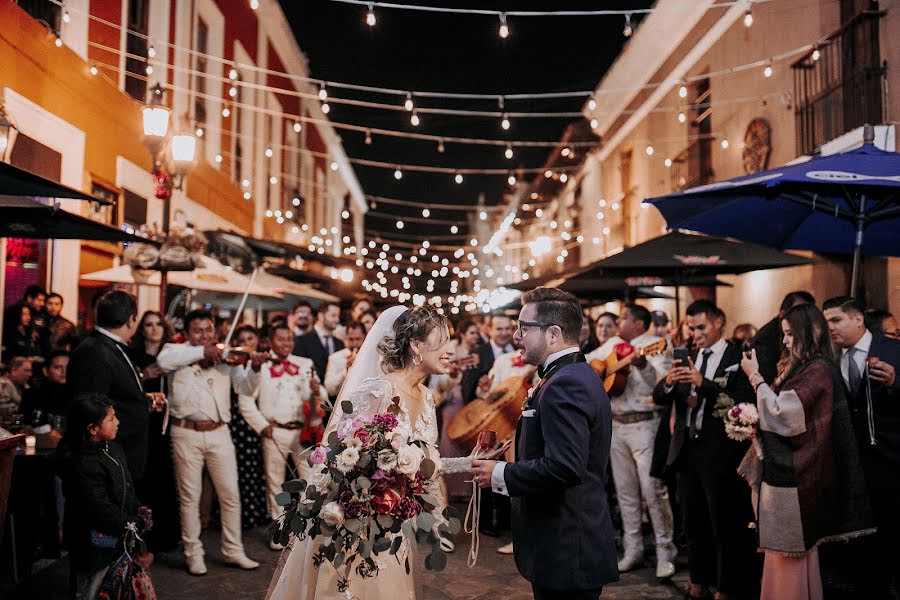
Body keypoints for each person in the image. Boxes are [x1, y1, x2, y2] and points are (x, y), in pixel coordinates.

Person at [266, 305, 489, 600]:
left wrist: (469, 462)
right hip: (354, 518)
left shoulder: (426, 399)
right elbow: (339, 456)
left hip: (393, 522)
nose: (449, 350)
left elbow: (425, 462)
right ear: (416, 346)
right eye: (442, 341)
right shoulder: (376, 391)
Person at [471, 287, 619, 600]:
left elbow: (565, 467)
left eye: (524, 328)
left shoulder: (567, 383)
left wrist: (501, 474)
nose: (516, 336)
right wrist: (511, 450)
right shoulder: (571, 374)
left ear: (553, 334)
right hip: (561, 540)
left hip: (568, 544)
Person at [739, 304, 875, 600]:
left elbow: (783, 415)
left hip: (799, 482)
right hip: (795, 481)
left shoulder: (818, 369)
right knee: (788, 558)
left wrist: (755, 376)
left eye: (789, 334)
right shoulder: (809, 367)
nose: (785, 342)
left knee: (791, 557)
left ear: (808, 332)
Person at [652, 300, 760, 600]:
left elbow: (741, 404)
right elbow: (659, 395)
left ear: (719, 323)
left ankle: (726, 586)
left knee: (723, 522)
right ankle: (698, 579)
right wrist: (671, 383)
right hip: (688, 448)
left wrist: (705, 384)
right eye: (691, 327)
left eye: (701, 327)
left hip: (720, 451)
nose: (696, 333)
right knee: (692, 519)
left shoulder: (738, 357)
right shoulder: (690, 356)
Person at [156, 309, 267, 575]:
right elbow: (163, 363)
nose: (204, 336)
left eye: (208, 330)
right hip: (185, 431)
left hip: (220, 432)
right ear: (188, 333)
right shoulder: (175, 350)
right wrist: (202, 352)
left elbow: (246, 389)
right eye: (198, 331)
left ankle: (233, 550)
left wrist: (255, 368)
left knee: (230, 494)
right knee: (189, 497)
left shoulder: (227, 356)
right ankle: (193, 553)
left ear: (215, 331)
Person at [587, 304, 676, 579]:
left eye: (623, 318)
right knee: (625, 493)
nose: (617, 322)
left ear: (639, 324)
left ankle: (665, 552)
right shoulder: (611, 345)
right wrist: (600, 370)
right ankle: (633, 549)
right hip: (616, 425)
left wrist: (643, 366)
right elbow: (588, 365)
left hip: (644, 424)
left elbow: (660, 386)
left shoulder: (656, 345)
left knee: (652, 490)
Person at [822, 296, 900, 598]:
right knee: (865, 552)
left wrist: (895, 382)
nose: (830, 328)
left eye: (836, 320)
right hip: (854, 470)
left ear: (858, 320)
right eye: (826, 322)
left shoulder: (893, 350)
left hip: (892, 464)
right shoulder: (830, 359)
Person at [238, 322, 327, 547]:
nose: (286, 343)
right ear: (270, 341)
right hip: (275, 430)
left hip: (305, 432)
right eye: (280, 339)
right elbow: (245, 398)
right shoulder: (260, 365)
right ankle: (279, 528)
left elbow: (322, 400)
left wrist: (319, 391)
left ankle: (306, 528)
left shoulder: (306, 364)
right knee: (276, 483)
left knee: (308, 480)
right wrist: (260, 425)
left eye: (289, 339)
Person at [59, 393, 147, 600]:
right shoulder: (82, 463)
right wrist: (130, 523)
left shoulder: (113, 448)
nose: (117, 422)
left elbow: (126, 485)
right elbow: (98, 507)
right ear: (92, 429)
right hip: (92, 545)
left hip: (119, 535)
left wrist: (137, 510)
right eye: (110, 419)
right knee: (93, 589)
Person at [68, 290, 162, 480]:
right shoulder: (95, 350)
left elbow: (115, 394)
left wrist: (144, 401)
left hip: (123, 455)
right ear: (131, 319)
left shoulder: (111, 346)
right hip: (108, 460)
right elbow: (92, 407)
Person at [128, 310, 181, 553]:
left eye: (158, 324)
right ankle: (139, 534)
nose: (153, 329)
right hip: (141, 423)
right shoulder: (133, 355)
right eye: (148, 324)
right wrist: (144, 374)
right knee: (143, 475)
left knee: (165, 477)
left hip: (167, 422)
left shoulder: (172, 354)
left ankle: (165, 536)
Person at [460, 314, 516, 538]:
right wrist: (480, 388)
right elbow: (467, 388)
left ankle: (504, 518)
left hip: (512, 422)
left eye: (506, 329)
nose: (503, 333)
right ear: (489, 330)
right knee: (484, 470)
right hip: (485, 422)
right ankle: (483, 521)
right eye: (499, 329)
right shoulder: (478, 354)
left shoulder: (518, 352)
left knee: (507, 469)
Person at [227, 325, 270, 530]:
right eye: (241, 339)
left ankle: (256, 512)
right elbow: (243, 396)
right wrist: (261, 424)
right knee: (242, 470)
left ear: (257, 340)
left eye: (250, 338)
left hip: (257, 417)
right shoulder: (236, 363)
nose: (246, 342)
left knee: (256, 469)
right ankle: (245, 515)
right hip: (242, 421)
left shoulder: (262, 360)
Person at [754, 291, 815, 383]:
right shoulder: (765, 339)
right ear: (783, 314)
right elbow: (767, 377)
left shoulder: (809, 333)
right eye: (797, 312)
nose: (805, 318)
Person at [21, 351, 70, 434]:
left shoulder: (79, 396)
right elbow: (24, 424)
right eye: (58, 367)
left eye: (68, 367)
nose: (64, 371)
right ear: (46, 371)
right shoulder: (32, 395)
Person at [294, 302, 344, 382]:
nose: (337, 320)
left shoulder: (340, 343)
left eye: (338, 316)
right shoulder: (301, 341)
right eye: (333, 315)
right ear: (321, 316)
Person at [323, 320, 367, 398]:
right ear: (346, 337)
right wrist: (346, 369)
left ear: (365, 337)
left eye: (358, 339)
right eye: (351, 339)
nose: (354, 343)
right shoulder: (335, 358)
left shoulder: (371, 357)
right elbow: (330, 389)